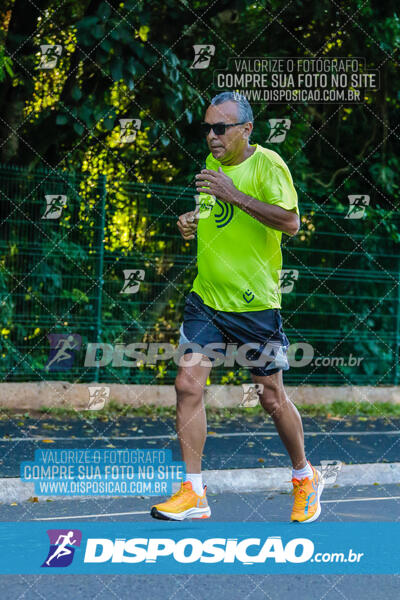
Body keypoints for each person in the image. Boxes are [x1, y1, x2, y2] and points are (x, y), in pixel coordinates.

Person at [150, 91, 324, 523]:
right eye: (207, 127)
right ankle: (194, 491)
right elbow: (218, 219)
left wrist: (234, 194)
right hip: (207, 297)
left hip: (254, 304)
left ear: (246, 129)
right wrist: (191, 223)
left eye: (220, 128)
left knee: (270, 396)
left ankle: (304, 477)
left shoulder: (268, 165)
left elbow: (291, 222)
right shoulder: (212, 168)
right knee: (188, 385)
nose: (212, 136)